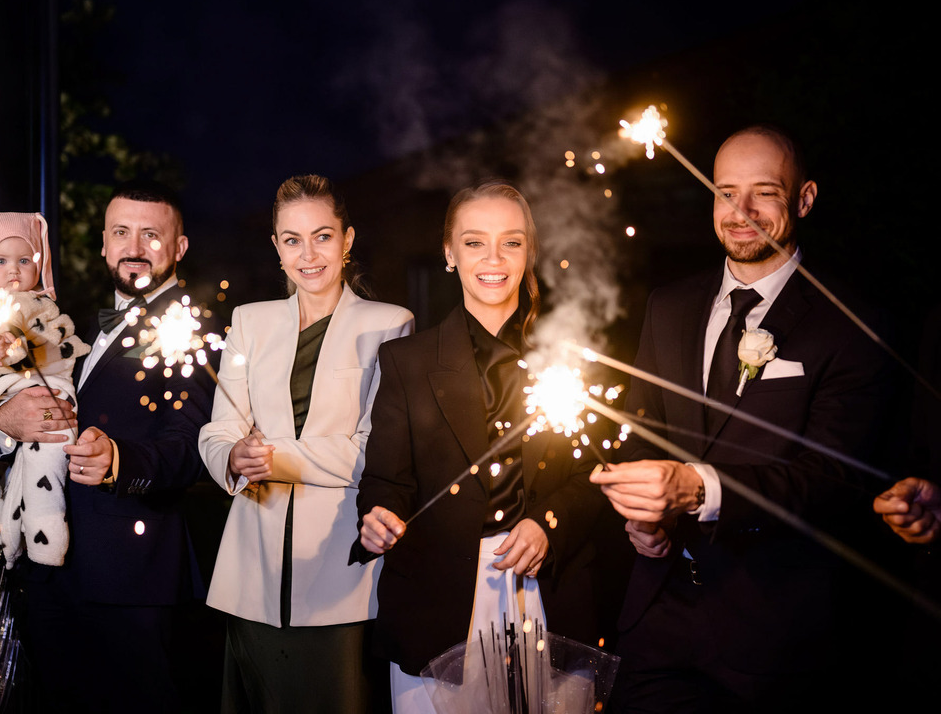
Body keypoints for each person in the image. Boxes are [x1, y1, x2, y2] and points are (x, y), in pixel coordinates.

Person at [591, 126, 889, 712]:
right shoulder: (668, 305)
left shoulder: (851, 323)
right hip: (657, 621)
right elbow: (641, 430)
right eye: (726, 192)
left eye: (765, 192)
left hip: (777, 634)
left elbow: (834, 479)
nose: (741, 211)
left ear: (804, 199)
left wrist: (699, 489)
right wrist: (643, 515)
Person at [353, 181, 607, 713]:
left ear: (529, 252)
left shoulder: (573, 358)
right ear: (449, 253)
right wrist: (378, 515)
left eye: (511, 242)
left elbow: (596, 474)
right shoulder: (406, 361)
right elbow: (386, 481)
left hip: (548, 590)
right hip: (439, 598)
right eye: (474, 242)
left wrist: (548, 523)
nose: (494, 258)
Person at [0, 181, 214, 712]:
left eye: (151, 235)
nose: (134, 247)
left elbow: (192, 446)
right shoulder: (70, 326)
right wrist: (5, 421)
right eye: (121, 232)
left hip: (133, 579)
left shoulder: (192, 332)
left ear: (179, 247)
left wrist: (119, 461)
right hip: (51, 571)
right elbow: (22, 407)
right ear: (104, 244)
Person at [198, 175, 414, 713]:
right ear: (276, 247)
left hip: (340, 577)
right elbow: (219, 430)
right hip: (250, 573)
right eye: (292, 240)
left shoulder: (389, 324)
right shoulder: (249, 321)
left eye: (322, 236)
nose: (308, 255)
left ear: (347, 239)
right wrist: (232, 457)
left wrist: (270, 456)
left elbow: (374, 452)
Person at [0, 212, 90, 568]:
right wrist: (8, 347)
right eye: (1, 261)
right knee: (16, 472)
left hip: (50, 386)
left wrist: (32, 346)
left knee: (49, 453)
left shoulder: (43, 305)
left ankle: (44, 534)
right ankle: (19, 537)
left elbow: (60, 339)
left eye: (24, 261)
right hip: (0, 388)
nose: (14, 271)